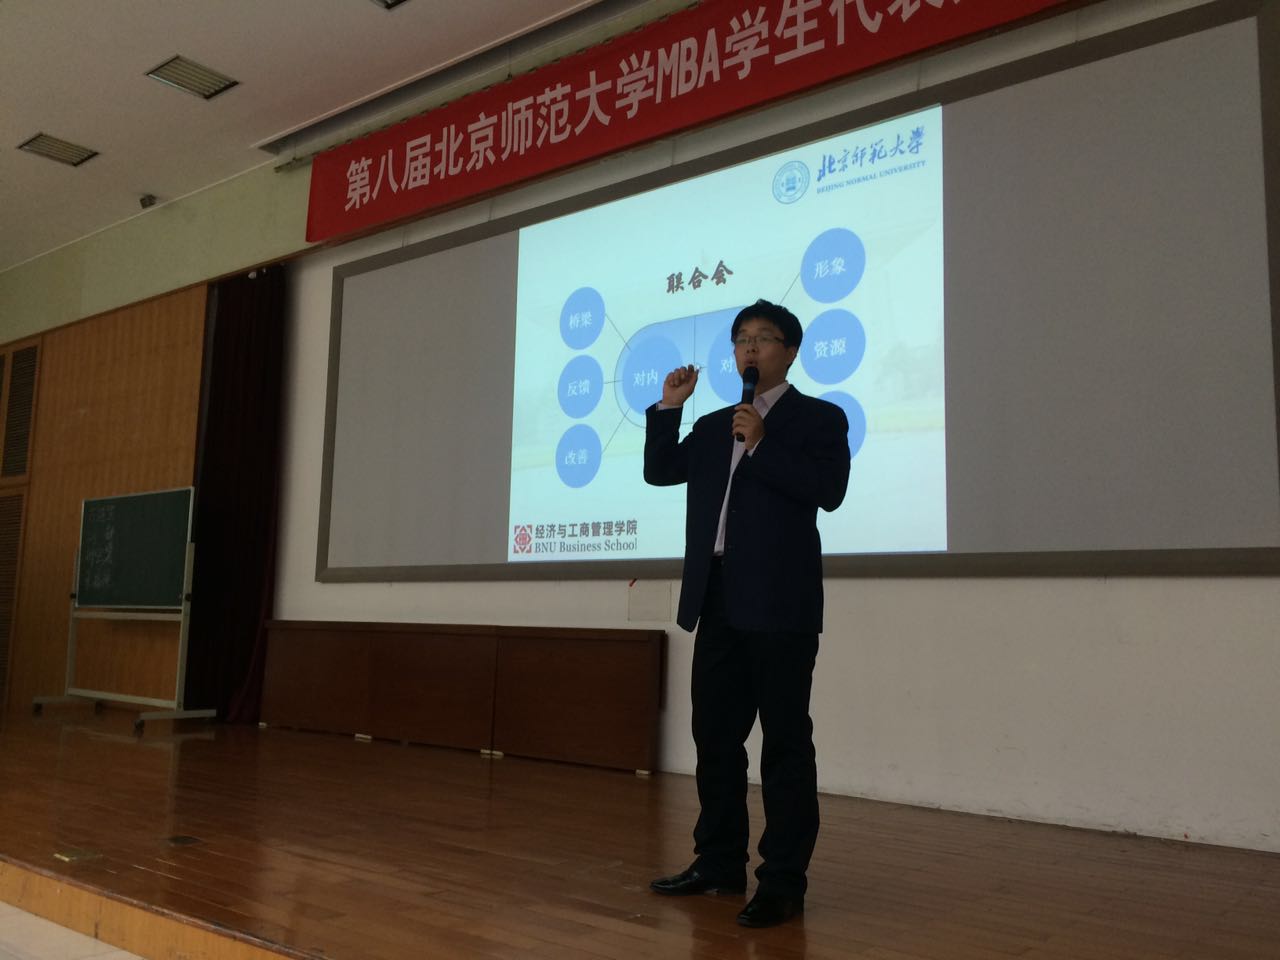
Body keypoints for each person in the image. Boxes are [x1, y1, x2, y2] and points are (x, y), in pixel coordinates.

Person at [644, 299, 850, 928]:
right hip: (718, 600)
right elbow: (660, 471)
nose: (750, 348)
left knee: (784, 745)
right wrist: (669, 409)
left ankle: (782, 881)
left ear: (791, 350)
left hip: (781, 604)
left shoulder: (819, 418)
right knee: (715, 739)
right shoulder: (713, 425)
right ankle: (718, 861)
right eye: (741, 339)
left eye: (763, 338)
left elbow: (830, 492)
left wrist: (761, 445)